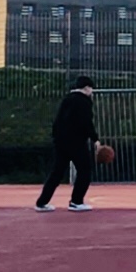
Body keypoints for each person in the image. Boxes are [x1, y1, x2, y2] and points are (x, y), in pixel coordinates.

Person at [35, 76, 102, 212]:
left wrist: (56, 138)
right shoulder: (84, 101)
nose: (92, 92)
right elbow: (86, 122)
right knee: (85, 171)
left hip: (60, 141)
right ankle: (76, 201)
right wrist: (95, 138)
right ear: (87, 88)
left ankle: (42, 202)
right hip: (76, 142)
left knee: (57, 172)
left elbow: (58, 121)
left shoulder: (67, 99)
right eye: (91, 89)